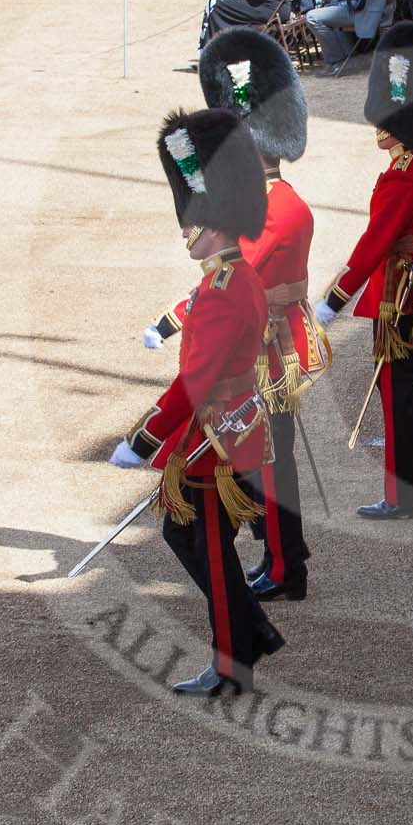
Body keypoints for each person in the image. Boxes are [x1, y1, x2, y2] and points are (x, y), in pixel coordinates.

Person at [110, 109, 284, 697]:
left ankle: (233, 661)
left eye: (195, 222)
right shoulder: (236, 279)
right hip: (234, 427)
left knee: (202, 546)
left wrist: (143, 439)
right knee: (193, 541)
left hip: (213, 437)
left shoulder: (219, 292)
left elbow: (194, 381)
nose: (187, 231)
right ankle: (250, 632)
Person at [148, 31, 323, 602]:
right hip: (278, 340)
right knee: (270, 461)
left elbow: (234, 276)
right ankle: (284, 556)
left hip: (263, 354)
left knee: (263, 467)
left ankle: (282, 564)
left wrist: (173, 319)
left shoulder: (271, 210)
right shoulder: (288, 198)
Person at [314, 23, 413, 520]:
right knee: (401, 384)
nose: (381, 124)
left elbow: (373, 243)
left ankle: (404, 495)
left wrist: (333, 299)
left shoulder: (403, 176)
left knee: (394, 390)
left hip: (403, 294)